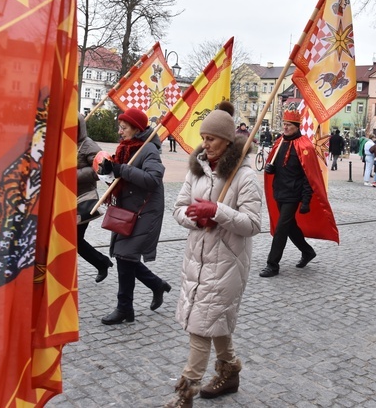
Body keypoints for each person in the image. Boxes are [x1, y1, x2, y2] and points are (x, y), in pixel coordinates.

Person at [165, 102, 262, 407]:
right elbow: (178, 207)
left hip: (228, 263)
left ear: (228, 141)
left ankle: (185, 393)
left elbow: (253, 224)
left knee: (200, 328)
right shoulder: (198, 169)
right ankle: (230, 369)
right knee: (213, 321)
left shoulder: (244, 176)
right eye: (203, 137)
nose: (204, 144)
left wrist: (217, 211)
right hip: (196, 260)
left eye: (212, 139)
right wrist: (196, 217)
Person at [97, 108, 171, 325]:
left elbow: (152, 179)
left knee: (125, 256)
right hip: (128, 211)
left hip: (145, 212)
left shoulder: (148, 149)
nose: (120, 132)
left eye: (124, 127)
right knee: (123, 256)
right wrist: (108, 173)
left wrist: (121, 170)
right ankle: (155, 286)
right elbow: (120, 179)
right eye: (120, 127)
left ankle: (124, 308)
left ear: (136, 128)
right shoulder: (126, 148)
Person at [259, 108, 337, 277]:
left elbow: (309, 176)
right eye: (284, 125)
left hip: (293, 194)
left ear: (296, 126)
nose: (285, 128)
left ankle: (272, 264)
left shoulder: (305, 146)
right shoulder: (279, 143)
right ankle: (307, 251)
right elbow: (276, 167)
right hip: (279, 191)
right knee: (290, 226)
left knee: (281, 228)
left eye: (288, 125)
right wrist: (270, 170)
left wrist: (306, 200)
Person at [77, 113, 113, 282]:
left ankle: (102, 263)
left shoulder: (88, 144)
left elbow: (100, 168)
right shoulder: (63, 143)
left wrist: (72, 174)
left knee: (74, 239)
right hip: (65, 199)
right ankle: (101, 263)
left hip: (84, 199)